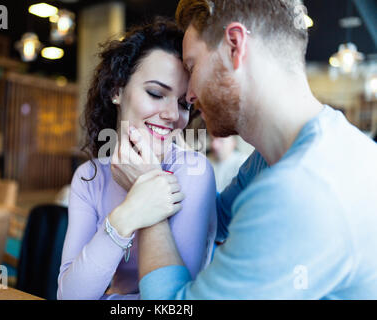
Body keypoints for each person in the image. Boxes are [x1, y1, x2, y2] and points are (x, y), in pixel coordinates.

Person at [111, 0, 377, 299]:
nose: (189, 94)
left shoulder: (305, 186)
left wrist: (149, 201)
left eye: (192, 65)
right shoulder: (274, 156)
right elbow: (215, 220)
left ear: (235, 46)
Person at [57, 18, 217, 300]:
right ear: (117, 90)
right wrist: (127, 215)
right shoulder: (89, 177)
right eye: (156, 93)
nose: (172, 114)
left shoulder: (193, 172)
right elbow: (70, 296)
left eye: (183, 104)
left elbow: (176, 302)